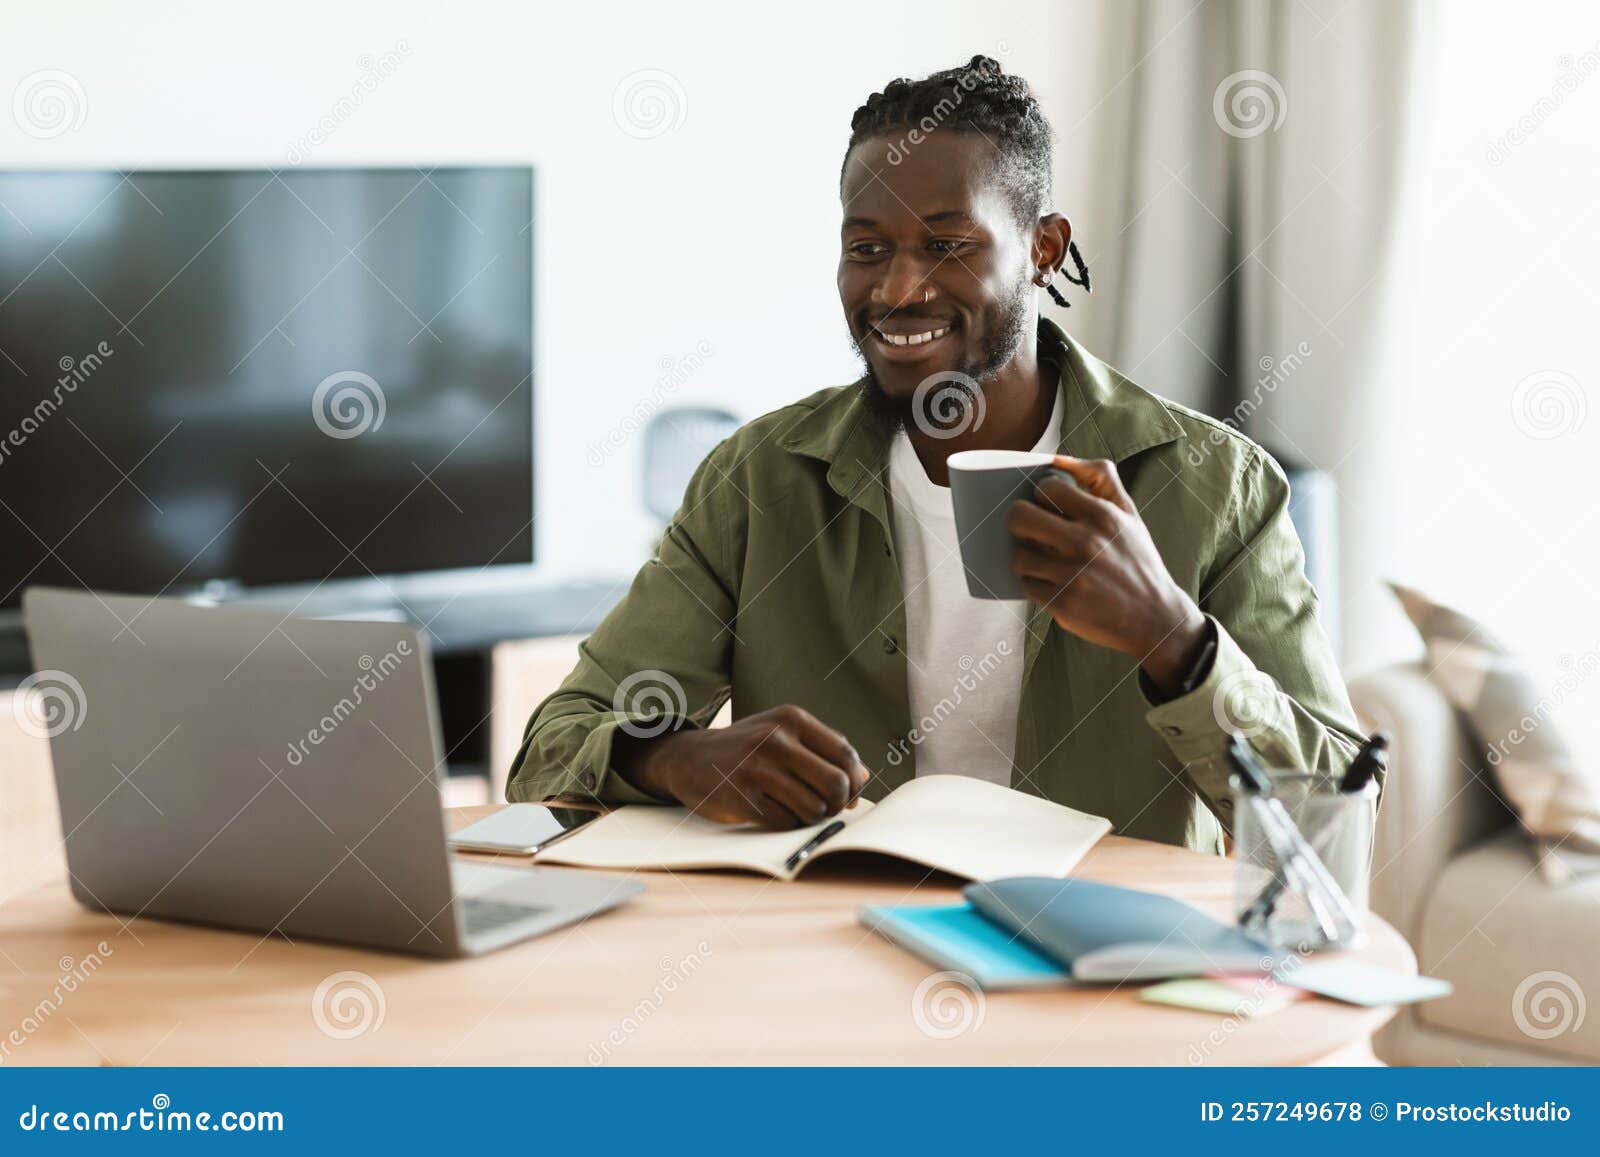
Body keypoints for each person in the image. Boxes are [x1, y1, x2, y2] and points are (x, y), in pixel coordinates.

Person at [507, 56, 1363, 854]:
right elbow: (551, 745)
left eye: (948, 245)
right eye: (867, 248)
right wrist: (674, 758)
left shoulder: (1216, 485)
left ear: (1043, 249)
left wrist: (1175, 640)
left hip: (1106, 973)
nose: (896, 290)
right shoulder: (758, 482)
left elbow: (1334, 822)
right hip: (833, 956)